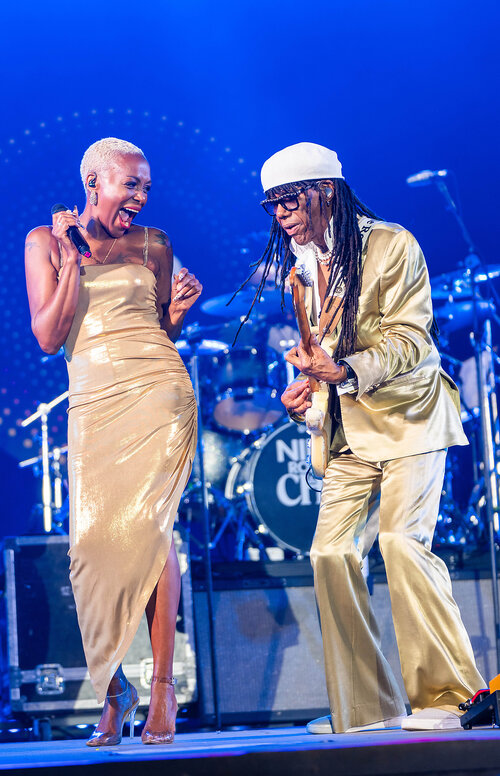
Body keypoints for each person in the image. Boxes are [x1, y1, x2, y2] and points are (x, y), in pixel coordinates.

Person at [253, 142, 484, 733]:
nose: (281, 213)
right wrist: (304, 394)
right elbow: (321, 359)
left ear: (326, 190)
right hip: (348, 431)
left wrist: (343, 371)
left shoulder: (391, 244)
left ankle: (453, 698)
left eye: (289, 198)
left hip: (409, 418)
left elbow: (411, 338)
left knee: (402, 542)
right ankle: (364, 707)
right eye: (271, 203)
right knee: (330, 553)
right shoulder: (303, 272)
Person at [25, 137, 202, 745]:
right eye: (131, 184)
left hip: (158, 390)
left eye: (146, 186)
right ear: (93, 183)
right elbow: (49, 337)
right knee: (92, 550)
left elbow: (161, 332)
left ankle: (162, 689)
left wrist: (179, 312)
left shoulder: (154, 244)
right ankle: (114, 689)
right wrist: (72, 261)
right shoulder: (45, 243)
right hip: (94, 400)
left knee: (153, 531)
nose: (141, 196)